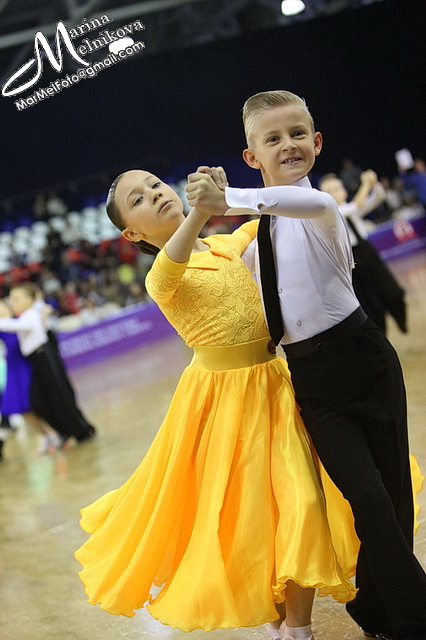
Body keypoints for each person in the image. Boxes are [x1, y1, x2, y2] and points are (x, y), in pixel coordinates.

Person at [75, 169, 364, 640]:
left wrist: (237, 191)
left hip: (275, 387)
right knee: (250, 516)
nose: (155, 194)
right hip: (222, 405)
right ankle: (279, 621)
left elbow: (272, 212)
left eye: (154, 185)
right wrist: (205, 209)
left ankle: (299, 629)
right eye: (139, 199)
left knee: (302, 500)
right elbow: (175, 261)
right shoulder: (160, 276)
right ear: (132, 234)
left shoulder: (227, 245)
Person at [185, 90, 426, 640]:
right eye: (273, 138)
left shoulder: (320, 208)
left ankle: (382, 614)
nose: (288, 145)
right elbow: (213, 271)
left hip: (364, 359)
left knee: (390, 501)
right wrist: (194, 217)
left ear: (317, 142)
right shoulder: (253, 241)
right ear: (252, 156)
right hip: (312, 382)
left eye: (297, 134)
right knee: (368, 501)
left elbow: (297, 203)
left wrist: (227, 197)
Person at [0, 284, 96, 445]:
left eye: (16, 298)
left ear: (29, 299)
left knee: (60, 395)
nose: (12, 302)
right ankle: (64, 431)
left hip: (44, 356)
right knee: (38, 400)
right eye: (11, 299)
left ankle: (81, 430)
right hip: (34, 361)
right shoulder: (27, 314)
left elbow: (18, 324)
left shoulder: (33, 313)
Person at [318, 170, 407, 335]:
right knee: (370, 307)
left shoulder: (351, 210)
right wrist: (365, 184)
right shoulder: (327, 215)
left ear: (344, 191)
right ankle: (382, 339)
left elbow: (378, 197)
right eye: (328, 191)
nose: (333, 193)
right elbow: (356, 205)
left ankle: (401, 322)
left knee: (394, 293)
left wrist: (373, 182)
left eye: (336, 188)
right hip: (351, 263)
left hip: (368, 252)